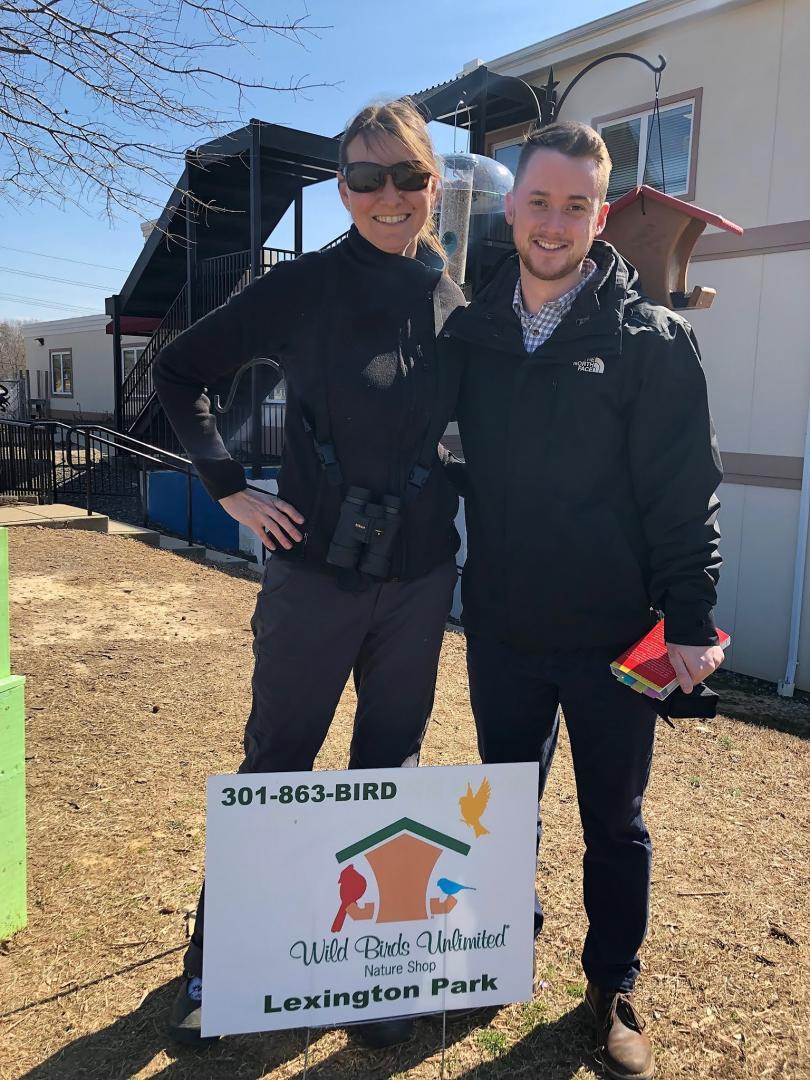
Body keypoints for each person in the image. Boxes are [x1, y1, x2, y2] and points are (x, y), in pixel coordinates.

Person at [152, 98, 465, 1049]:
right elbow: (179, 371)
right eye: (365, 178)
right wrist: (227, 490)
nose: (387, 195)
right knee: (278, 769)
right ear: (341, 189)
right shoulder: (306, 286)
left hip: (417, 582)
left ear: (432, 185)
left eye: (406, 177)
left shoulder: (455, 297)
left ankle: (371, 979)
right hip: (313, 574)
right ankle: (224, 960)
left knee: (390, 773)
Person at [444, 121, 724, 1080]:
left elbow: (685, 493)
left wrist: (689, 622)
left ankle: (611, 986)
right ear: (512, 206)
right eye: (539, 201)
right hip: (505, 630)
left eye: (576, 206)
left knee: (616, 821)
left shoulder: (651, 340)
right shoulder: (473, 333)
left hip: (615, 640)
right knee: (502, 808)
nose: (554, 222)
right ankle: (494, 952)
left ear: (599, 216)